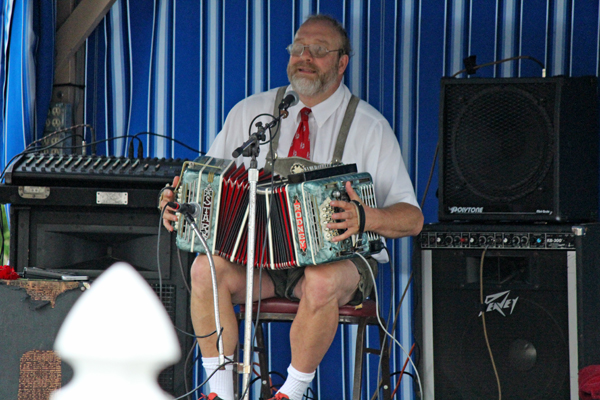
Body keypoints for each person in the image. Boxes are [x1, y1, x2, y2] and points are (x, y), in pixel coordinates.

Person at [161, 14, 423, 400]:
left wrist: (367, 217)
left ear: (342, 62)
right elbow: (205, 182)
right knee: (204, 269)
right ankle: (219, 393)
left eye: (318, 51)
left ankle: (292, 391)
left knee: (320, 280)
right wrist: (176, 202)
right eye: (298, 48)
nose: (304, 57)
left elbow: (413, 218)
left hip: (340, 265)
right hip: (259, 260)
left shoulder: (371, 127)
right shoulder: (252, 114)